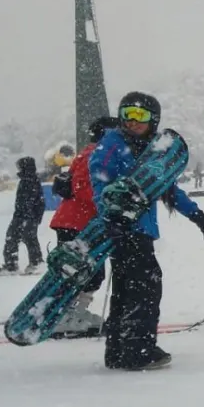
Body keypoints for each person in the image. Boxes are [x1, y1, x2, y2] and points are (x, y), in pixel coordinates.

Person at [90, 92, 204, 371]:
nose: (133, 122)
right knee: (145, 286)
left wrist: (197, 216)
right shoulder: (113, 144)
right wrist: (110, 216)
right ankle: (138, 349)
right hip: (124, 228)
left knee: (126, 288)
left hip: (138, 230)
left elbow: (167, 187)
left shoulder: (148, 151)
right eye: (128, 114)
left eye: (141, 116)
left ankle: (118, 350)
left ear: (154, 120)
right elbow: (98, 179)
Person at [48, 116, 119, 335]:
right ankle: (66, 313)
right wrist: (111, 198)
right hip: (76, 222)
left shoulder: (99, 154)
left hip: (81, 222)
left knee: (91, 272)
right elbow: (82, 187)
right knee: (83, 271)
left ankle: (75, 311)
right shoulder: (93, 155)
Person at [0, 157, 44, 275]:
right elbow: (38, 202)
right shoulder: (31, 179)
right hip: (26, 216)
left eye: (20, 166)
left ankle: (13, 265)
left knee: (14, 238)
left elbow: (29, 202)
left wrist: (25, 217)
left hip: (24, 217)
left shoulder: (29, 181)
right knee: (27, 239)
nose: (18, 169)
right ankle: (35, 262)